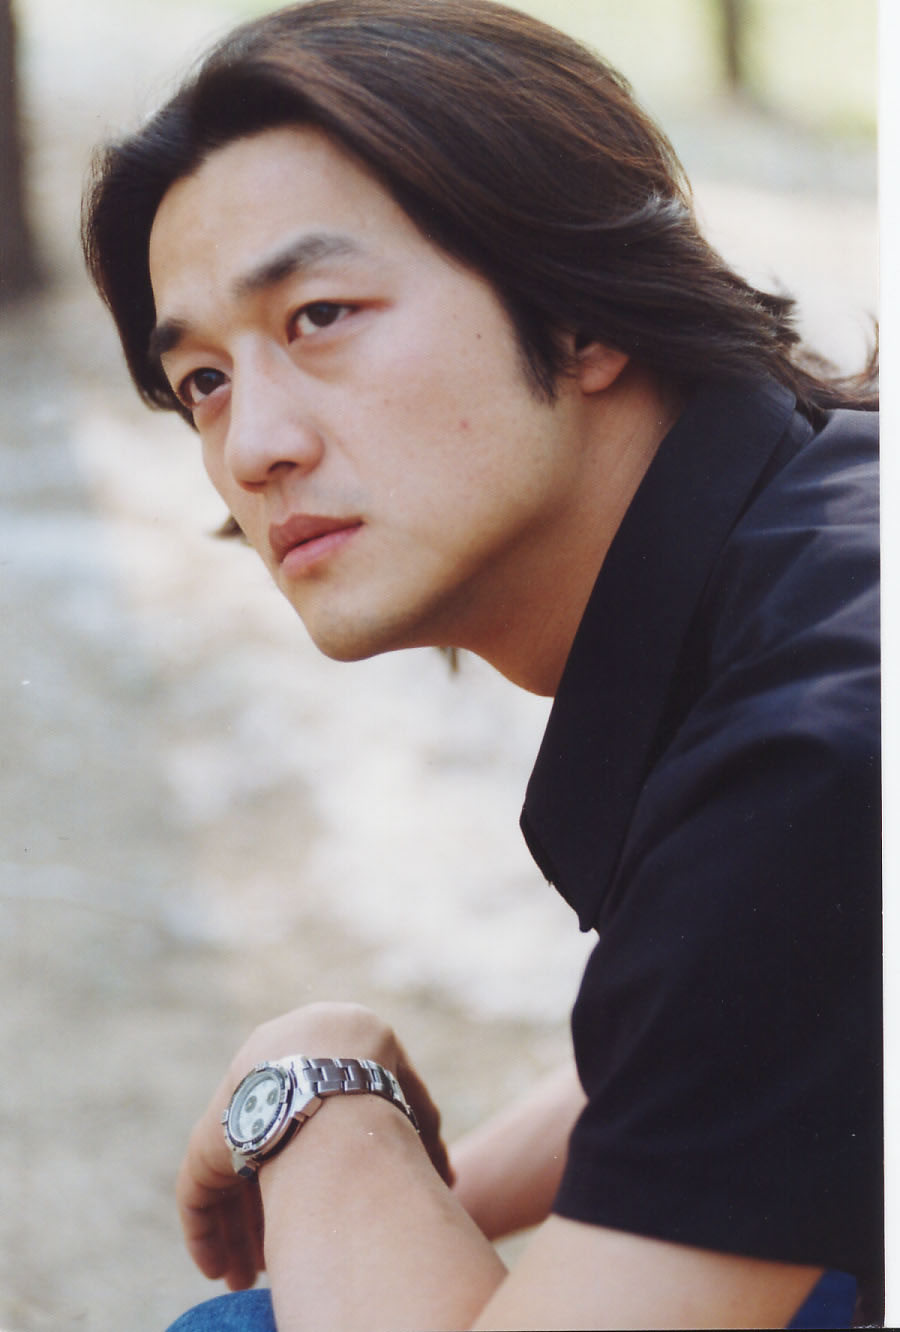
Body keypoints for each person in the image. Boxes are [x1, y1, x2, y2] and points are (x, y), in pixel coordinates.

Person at [81, 1, 881, 1327]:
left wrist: (320, 1091)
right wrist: (437, 1198)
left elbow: (786, 906)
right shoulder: (816, 527)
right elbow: (770, 1038)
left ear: (581, 313)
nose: (255, 445)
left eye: (320, 314)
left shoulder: (816, 747)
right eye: (205, 381)